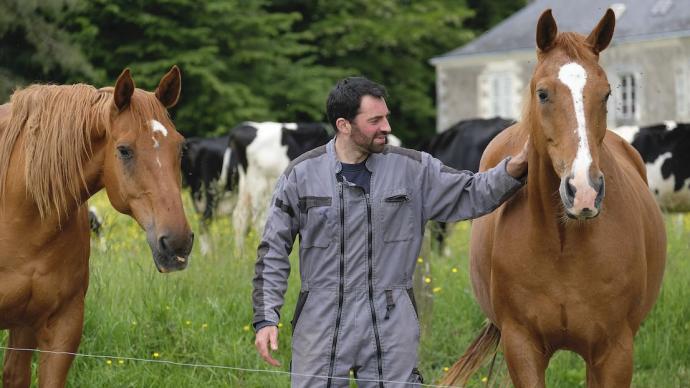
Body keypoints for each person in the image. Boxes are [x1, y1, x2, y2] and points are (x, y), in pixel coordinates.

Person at [252, 76, 528, 387]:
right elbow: (273, 249)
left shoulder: (414, 170)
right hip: (320, 323)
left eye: (386, 117)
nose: (386, 127)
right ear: (344, 125)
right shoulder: (300, 176)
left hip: (391, 324)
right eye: (375, 120)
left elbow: (472, 191)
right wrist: (266, 317)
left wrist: (517, 166)